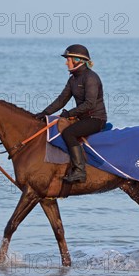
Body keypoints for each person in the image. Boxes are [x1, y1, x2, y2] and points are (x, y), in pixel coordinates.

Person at [35, 44, 107, 183]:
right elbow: (61, 100)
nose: (66, 62)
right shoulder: (73, 79)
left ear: (77, 60)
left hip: (96, 119)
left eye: (68, 59)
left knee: (69, 133)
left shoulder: (91, 78)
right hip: (83, 118)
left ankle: (80, 171)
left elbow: (90, 104)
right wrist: (44, 113)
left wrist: (69, 113)